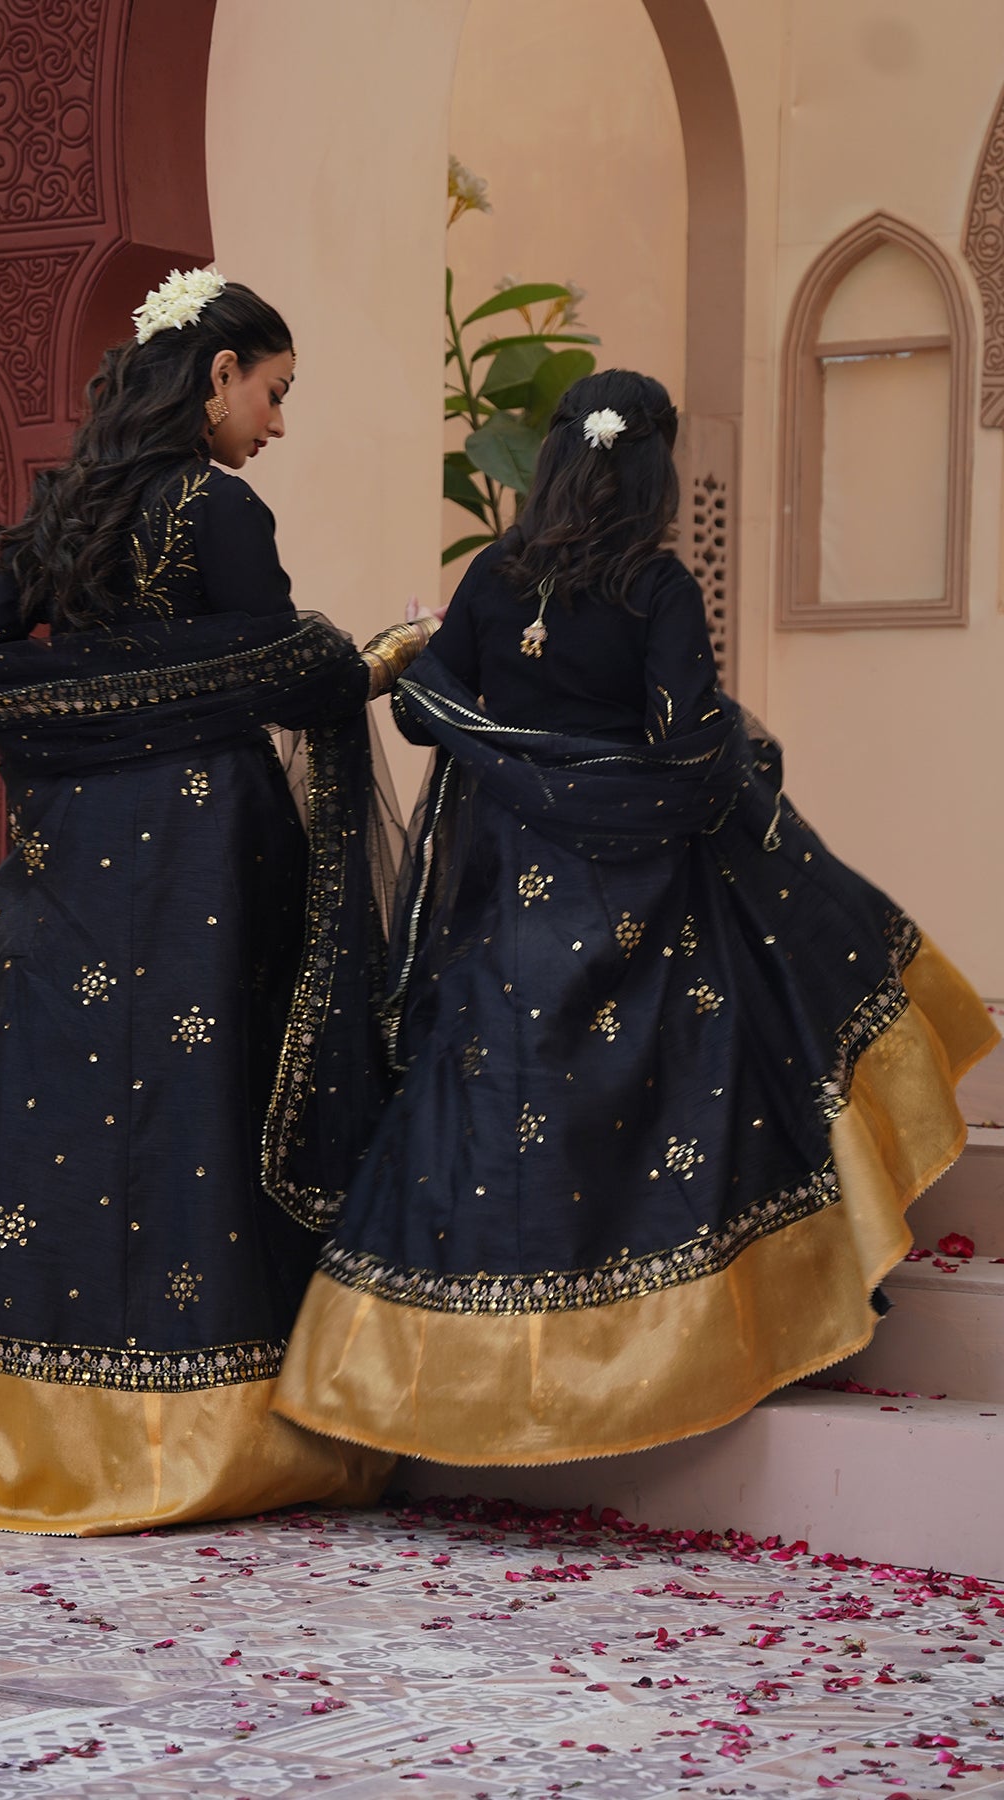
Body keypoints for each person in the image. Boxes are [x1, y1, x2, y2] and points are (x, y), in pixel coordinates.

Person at [273, 369, 999, 1469]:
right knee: (694, 1070)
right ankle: (679, 1337)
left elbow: (426, 716)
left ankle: (440, 1375)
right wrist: (721, 757)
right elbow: (687, 742)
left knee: (493, 1091)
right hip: (639, 886)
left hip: (505, 884)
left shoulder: (494, 574)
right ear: (656, 467)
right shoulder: (656, 585)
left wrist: (491, 726)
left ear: (555, 458)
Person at [0, 269, 432, 1533]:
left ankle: (4, 1414)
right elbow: (288, 672)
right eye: (274, 391)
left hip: (81, 852)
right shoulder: (219, 508)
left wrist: (105, 679)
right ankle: (201, 1428)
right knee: (198, 1099)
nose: (277, 421)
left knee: (53, 1091)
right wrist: (377, 659)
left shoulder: (65, 510)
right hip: (206, 850)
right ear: (219, 374)